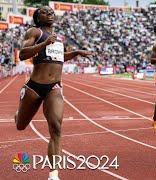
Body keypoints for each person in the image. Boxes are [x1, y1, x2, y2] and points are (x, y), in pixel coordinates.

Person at [15, 6, 91, 180]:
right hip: (34, 86)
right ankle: (18, 114)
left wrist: (77, 52)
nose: (49, 13)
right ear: (37, 18)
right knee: (20, 125)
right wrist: (44, 43)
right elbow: (22, 54)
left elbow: (60, 57)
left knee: (56, 128)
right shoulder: (34, 32)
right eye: (44, 12)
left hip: (54, 87)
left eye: (51, 11)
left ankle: (53, 174)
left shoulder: (58, 38)